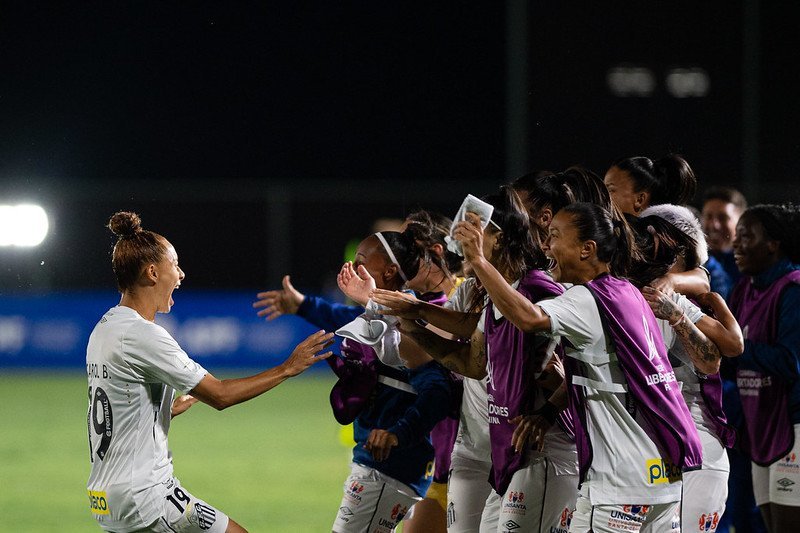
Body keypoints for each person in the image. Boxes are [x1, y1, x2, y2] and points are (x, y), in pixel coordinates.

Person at [461, 202, 702, 532]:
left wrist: (478, 260)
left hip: (618, 483)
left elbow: (529, 318)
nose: (546, 245)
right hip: (662, 477)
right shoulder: (627, 292)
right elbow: (606, 374)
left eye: (555, 236)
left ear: (587, 249)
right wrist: (548, 414)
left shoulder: (588, 299)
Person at [86, 212, 333, 533]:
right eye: (174, 265)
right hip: (145, 495)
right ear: (152, 272)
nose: (181, 273)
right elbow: (220, 395)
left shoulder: (104, 328)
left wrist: (164, 410)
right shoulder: (143, 334)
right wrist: (287, 368)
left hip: (106, 496)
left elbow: (115, 406)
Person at [374, 187, 580, 533]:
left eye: (474, 230)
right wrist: (413, 320)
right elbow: (473, 364)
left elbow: (577, 360)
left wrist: (548, 410)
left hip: (536, 449)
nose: (462, 237)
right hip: (498, 448)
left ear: (498, 239)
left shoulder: (537, 289)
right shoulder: (492, 295)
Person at [328, 228, 456, 533]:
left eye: (362, 261)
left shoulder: (410, 316)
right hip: (375, 461)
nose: (353, 268)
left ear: (388, 271)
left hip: (391, 465)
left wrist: (398, 433)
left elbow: (438, 389)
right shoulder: (382, 313)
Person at [625, 207, 744, 532]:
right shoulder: (615, 298)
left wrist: (681, 312)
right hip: (644, 451)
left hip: (695, 443)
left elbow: (727, 350)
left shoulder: (672, 299)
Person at [728, 204, 800, 532]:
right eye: (736, 237)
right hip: (759, 425)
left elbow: (791, 362)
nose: (737, 245)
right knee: (772, 524)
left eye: (746, 236)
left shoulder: (792, 289)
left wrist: (738, 348)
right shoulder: (744, 289)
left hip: (793, 425)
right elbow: (728, 356)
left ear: (772, 243)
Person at [604, 154, 709, 298]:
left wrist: (671, 281)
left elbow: (702, 280)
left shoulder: (661, 237)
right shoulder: (616, 232)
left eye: (610, 190)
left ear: (640, 199)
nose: (603, 197)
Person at [701, 186, 748, 300]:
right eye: (709, 217)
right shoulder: (692, 260)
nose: (714, 225)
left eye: (723, 218)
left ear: (741, 222)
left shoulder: (751, 266)